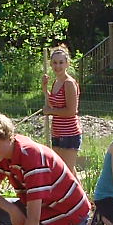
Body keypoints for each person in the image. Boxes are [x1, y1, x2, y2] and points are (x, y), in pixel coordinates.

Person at [43, 43, 82, 175]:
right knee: (65, 171)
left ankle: (76, 196)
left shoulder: (69, 83)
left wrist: (51, 111)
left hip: (69, 134)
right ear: (51, 64)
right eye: (54, 63)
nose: (57, 66)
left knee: (66, 173)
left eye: (61, 62)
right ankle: (82, 196)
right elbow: (53, 103)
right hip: (57, 133)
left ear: (67, 64)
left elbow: (71, 111)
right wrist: (44, 88)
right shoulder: (56, 82)